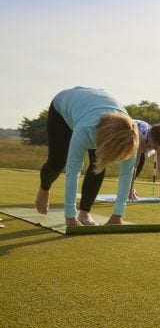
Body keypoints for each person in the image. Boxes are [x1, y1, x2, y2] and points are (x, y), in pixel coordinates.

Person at [35, 87, 139, 226]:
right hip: (62, 107)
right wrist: (70, 217)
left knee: (99, 164)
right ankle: (44, 188)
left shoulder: (130, 137)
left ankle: (84, 213)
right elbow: (73, 172)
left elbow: (127, 173)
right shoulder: (85, 131)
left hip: (94, 109)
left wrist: (118, 214)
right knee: (57, 163)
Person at [129, 120, 160, 201]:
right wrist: (130, 189)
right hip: (127, 132)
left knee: (141, 161)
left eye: (158, 146)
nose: (156, 148)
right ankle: (128, 188)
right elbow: (134, 166)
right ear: (150, 137)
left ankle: (128, 187)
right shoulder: (140, 138)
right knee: (139, 161)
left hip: (139, 138)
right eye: (155, 145)